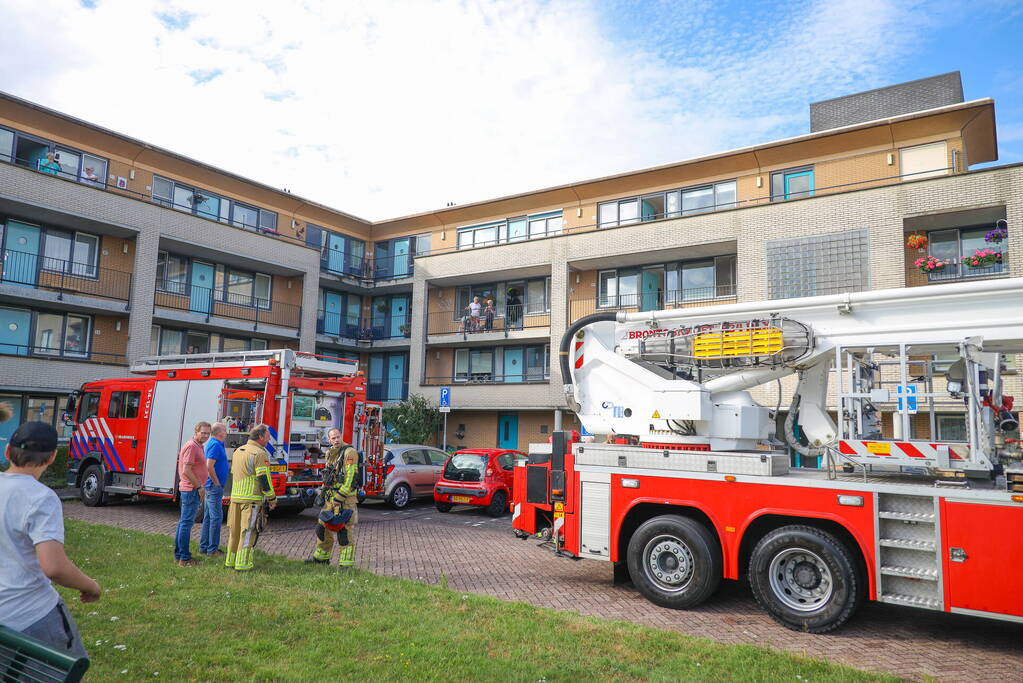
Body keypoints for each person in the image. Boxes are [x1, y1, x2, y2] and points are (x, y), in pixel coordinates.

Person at [0, 421, 100, 659]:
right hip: (30, 617)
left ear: (7, 452)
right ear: (52, 457)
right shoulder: (41, 498)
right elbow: (54, 567)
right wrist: (91, 586)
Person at [224, 424, 277, 572]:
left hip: (235, 498)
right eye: (267, 436)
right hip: (251, 500)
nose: (268, 439)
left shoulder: (238, 451)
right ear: (260, 437)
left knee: (234, 531)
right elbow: (264, 479)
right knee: (248, 532)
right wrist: (272, 498)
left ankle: (230, 561)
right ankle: (243, 564)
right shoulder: (259, 453)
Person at [305, 428, 359, 568]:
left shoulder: (349, 452)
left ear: (341, 436)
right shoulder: (329, 453)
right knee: (322, 527)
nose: (336, 440)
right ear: (329, 440)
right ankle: (321, 558)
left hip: (345, 500)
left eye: (338, 437)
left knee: (344, 531)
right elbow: (328, 476)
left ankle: (346, 564)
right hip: (330, 498)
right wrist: (322, 494)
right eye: (333, 438)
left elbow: (351, 479)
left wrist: (339, 498)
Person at [174, 422, 210, 566]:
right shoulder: (192, 446)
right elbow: (186, 470)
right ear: (196, 431)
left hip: (191, 489)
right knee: (186, 524)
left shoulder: (199, 446)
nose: (206, 436)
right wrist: (199, 486)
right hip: (191, 490)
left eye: (208, 433)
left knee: (184, 523)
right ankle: (184, 558)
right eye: (203, 433)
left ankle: (179, 555)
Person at [199, 422, 228, 556]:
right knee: (216, 517)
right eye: (225, 429)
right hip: (213, 486)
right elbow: (209, 466)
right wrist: (216, 482)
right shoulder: (215, 445)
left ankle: (205, 547)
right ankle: (212, 549)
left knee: (209, 517)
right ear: (219, 432)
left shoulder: (218, 444)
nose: (226, 432)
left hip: (212, 486)